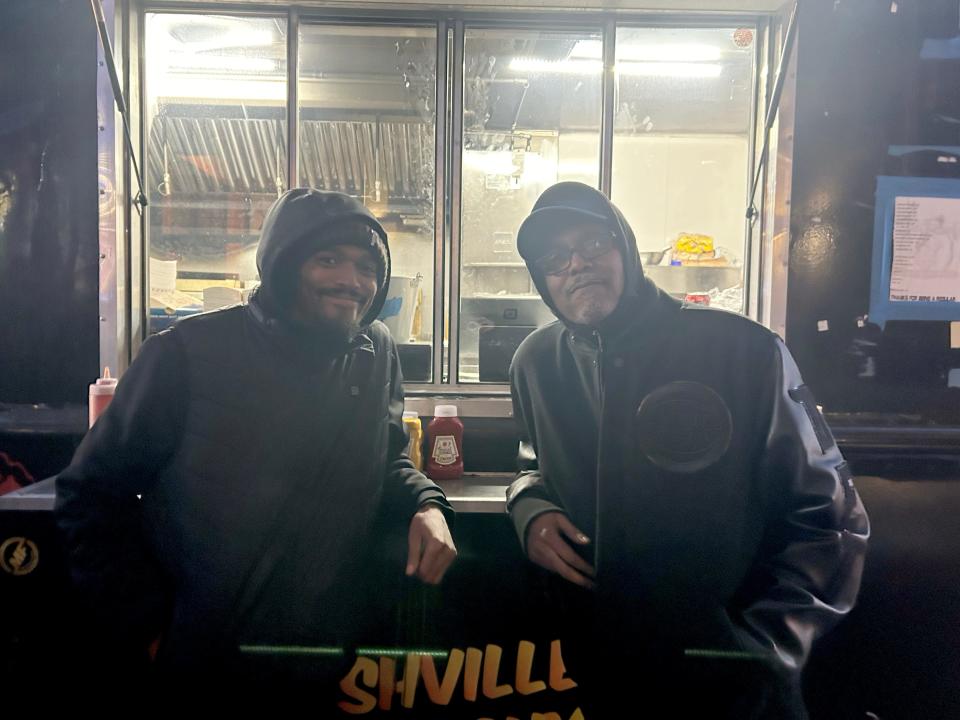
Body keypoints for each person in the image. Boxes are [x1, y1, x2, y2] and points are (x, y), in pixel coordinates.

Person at [56, 188, 456, 690]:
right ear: (284, 265)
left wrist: (427, 504)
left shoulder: (375, 353)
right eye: (327, 259)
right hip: (197, 660)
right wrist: (146, 624)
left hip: (320, 655)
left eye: (365, 267)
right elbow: (89, 494)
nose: (351, 281)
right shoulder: (184, 354)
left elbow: (387, 458)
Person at [506, 181, 869, 718]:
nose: (576, 264)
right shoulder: (535, 363)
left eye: (593, 244)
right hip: (604, 675)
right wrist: (529, 506)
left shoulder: (744, 350)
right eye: (555, 258)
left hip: (739, 691)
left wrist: (765, 648)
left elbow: (832, 518)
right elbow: (532, 460)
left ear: (625, 247)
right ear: (541, 278)